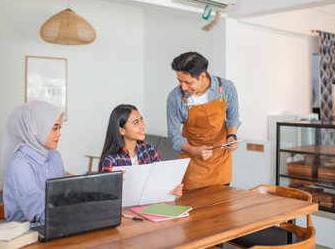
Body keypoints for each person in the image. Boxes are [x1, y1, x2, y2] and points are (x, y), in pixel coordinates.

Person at [167, 51, 241, 190]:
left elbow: (233, 117)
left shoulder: (226, 87)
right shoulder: (175, 97)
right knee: (194, 208)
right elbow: (173, 134)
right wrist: (192, 150)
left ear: (202, 76)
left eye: (187, 82)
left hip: (220, 163)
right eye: (179, 81)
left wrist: (232, 136)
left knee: (221, 207)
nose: (182, 87)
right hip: (193, 163)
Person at [1, 100, 65, 224]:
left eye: (59, 128)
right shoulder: (19, 164)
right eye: (54, 128)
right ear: (35, 128)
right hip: (25, 234)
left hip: (55, 225)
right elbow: (37, 210)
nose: (59, 134)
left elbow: (62, 195)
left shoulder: (54, 156)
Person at [99, 104, 183, 198]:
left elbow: (159, 182)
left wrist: (173, 191)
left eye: (141, 120)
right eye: (136, 123)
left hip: (150, 207)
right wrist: (114, 186)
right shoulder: (111, 160)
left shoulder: (150, 150)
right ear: (122, 130)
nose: (142, 125)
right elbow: (105, 196)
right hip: (123, 211)